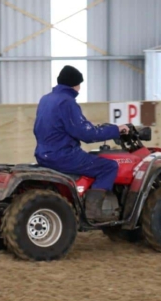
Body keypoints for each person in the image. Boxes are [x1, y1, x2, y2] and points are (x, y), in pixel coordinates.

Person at [33, 65, 129, 222]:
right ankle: (94, 212)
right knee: (108, 167)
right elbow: (87, 134)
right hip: (63, 155)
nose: (79, 89)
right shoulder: (67, 102)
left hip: (43, 153)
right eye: (79, 85)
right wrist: (116, 130)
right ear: (74, 84)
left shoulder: (46, 99)